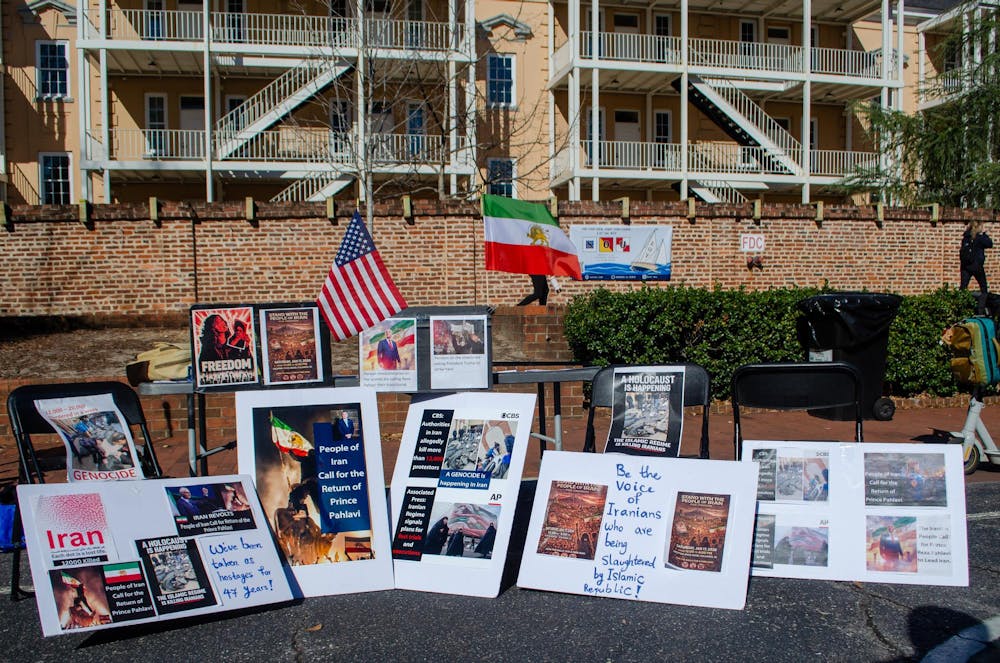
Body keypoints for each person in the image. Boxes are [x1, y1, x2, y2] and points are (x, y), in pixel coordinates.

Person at [960, 220, 993, 314]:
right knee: (984, 289)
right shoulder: (980, 238)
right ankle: (980, 310)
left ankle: (960, 308)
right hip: (977, 266)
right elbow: (990, 244)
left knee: (963, 287)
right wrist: (984, 234)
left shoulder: (966, 237)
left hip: (965, 266)